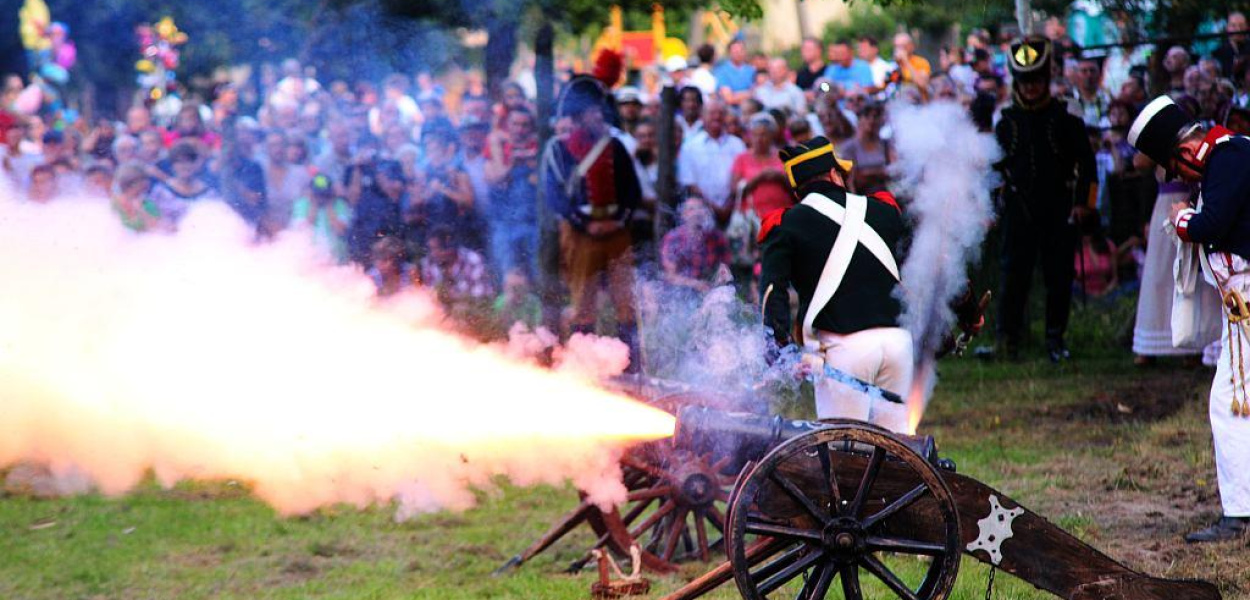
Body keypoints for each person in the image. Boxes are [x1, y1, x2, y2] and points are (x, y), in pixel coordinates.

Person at [1126, 95, 1250, 542]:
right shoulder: (1229, 155)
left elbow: (1210, 225)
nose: (1180, 178)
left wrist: (1182, 220)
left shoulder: (1229, 156)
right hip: (1242, 303)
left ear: (1183, 153)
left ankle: (1238, 514)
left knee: (1230, 402)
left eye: (1176, 169)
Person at [758, 136, 909, 423]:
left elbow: (772, 292)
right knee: (899, 453)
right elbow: (926, 266)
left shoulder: (785, 224)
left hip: (844, 350)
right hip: (898, 343)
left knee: (846, 455)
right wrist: (964, 313)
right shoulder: (885, 210)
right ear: (833, 174)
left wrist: (781, 349)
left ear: (798, 189)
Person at [993, 37, 1097, 362]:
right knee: (1013, 276)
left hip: (1059, 208)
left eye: (1036, 81)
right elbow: (995, 168)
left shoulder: (1066, 117)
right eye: (1025, 82)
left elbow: (1087, 165)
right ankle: (1007, 341)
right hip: (1018, 209)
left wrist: (1083, 204)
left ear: (1046, 81)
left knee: (1058, 277)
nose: (1031, 88)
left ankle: (1055, 339)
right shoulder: (1006, 121)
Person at [542, 75, 641, 363]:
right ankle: (582, 363)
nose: (599, 115)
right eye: (592, 111)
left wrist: (618, 222)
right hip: (579, 231)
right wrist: (585, 224)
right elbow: (555, 196)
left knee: (626, 301)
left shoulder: (616, 147)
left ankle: (630, 365)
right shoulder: (559, 150)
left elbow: (631, 191)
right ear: (580, 116)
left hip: (616, 230)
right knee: (582, 300)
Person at [485, 107, 542, 282]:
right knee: (508, 275)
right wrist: (512, 164)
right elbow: (492, 179)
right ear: (507, 126)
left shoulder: (538, 148)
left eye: (525, 125)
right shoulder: (497, 147)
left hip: (533, 223)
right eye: (515, 124)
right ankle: (509, 307)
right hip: (504, 224)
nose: (520, 129)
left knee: (538, 273)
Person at [678, 100, 746, 227]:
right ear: (702, 117)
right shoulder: (690, 146)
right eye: (712, 113)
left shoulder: (737, 144)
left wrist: (728, 206)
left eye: (720, 113)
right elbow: (690, 183)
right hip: (701, 212)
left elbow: (742, 178)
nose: (717, 117)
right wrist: (714, 208)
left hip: (733, 211)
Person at [660, 199, 730, 299]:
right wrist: (695, 284)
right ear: (683, 215)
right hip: (679, 293)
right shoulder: (674, 239)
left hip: (709, 290)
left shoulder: (717, 238)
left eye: (701, 208)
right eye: (691, 209)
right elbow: (670, 276)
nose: (697, 212)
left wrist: (721, 278)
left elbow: (725, 268)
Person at [290, 173, 352, 263]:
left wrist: (329, 205)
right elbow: (302, 230)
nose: (321, 197)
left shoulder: (340, 205)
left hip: (336, 259)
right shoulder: (302, 204)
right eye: (318, 194)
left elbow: (340, 230)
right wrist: (313, 204)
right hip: (309, 259)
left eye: (324, 194)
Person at [839, 102, 893, 194]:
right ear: (860, 119)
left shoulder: (885, 144)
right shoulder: (850, 147)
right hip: (862, 196)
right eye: (867, 116)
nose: (871, 120)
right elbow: (851, 179)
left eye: (876, 116)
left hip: (885, 194)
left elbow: (892, 172)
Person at [715, 39, 755, 107]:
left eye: (741, 51)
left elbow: (758, 94)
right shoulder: (722, 71)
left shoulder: (752, 70)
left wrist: (736, 95)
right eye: (735, 51)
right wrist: (749, 94)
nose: (738, 54)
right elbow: (729, 99)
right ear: (729, 53)